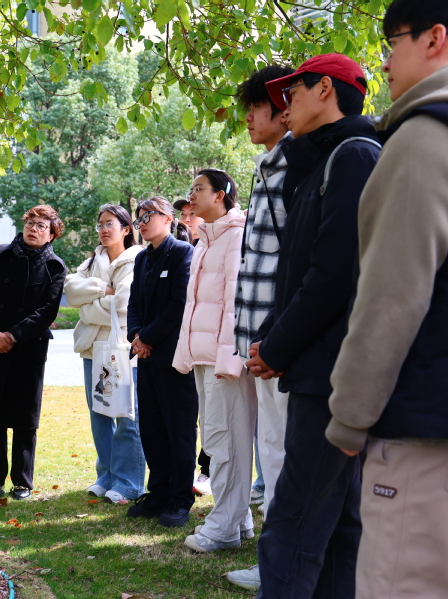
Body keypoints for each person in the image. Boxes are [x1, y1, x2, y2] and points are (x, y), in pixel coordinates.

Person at [325, 2, 448, 597]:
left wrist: (349, 416)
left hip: (429, 435)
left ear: (435, 37)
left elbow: (392, 295)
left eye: (392, 41)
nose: (385, 60)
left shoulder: (433, 131)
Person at [244, 54, 380, 598]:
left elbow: (333, 275)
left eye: (293, 92)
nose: (285, 104)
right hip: (318, 366)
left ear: (325, 89)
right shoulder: (319, 161)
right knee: (334, 524)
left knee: (295, 522)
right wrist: (273, 335)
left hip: (331, 370)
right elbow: (296, 270)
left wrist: (277, 344)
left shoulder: (354, 155)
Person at [225, 63, 294, 590]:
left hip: (282, 338)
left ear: (285, 107)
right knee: (271, 451)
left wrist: (276, 335)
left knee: (284, 452)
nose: (248, 116)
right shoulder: (267, 163)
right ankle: (275, 558)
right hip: (259, 337)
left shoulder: (297, 165)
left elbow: (295, 262)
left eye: (256, 106)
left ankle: (283, 562)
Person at [170, 169, 257, 551]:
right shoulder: (206, 239)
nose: (192, 195)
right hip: (205, 356)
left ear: (221, 195)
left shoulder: (235, 235)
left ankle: (224, 525)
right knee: (219, 438)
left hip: (225, 360)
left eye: (199, 188)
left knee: (227, 441)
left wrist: (229, 358)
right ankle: (239, 521)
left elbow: (235, 304)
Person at [0, 205, 67, 500]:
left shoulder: (54, 266)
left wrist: (13, 335)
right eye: (31, 222)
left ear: (52, 234)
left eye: (42, 226)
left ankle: (22, 482)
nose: (34, 228)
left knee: (25, 417)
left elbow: (47, 311)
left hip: (29, 346)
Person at [65, 204, 146, 504]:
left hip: (122, 349)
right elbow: (72, 292)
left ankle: (129, 482)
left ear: (126, 229)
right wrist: (102, 290)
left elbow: (124, 305)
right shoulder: (91, 263)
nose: (103, 229)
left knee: (126, 415)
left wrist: (88, 308)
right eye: (100, 223)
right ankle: (107, 475)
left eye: (110, 223)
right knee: (99, 412)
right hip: (92, 349)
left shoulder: (135, 259)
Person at [126, 197, 197, 528]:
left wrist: (148, 338)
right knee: (151, 427)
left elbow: (179, 303)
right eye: (139, 218)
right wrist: (136, 335)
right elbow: (133, 304)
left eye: (148, 216)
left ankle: (181, 498)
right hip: (146, 355)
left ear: (169, 219)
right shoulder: (142, 259)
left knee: (178, 428)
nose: (142, 222)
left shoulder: (183, 253)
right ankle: (159, 493)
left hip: (173, 357)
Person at [173, 197, 212, 498]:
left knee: (212, 413)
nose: (187, 219)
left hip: (209, 344)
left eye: (191, 214)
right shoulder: (179, 250)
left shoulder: (216, 245)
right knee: (190, 411)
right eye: (183, 214)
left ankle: (208, 471)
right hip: (184, 343)